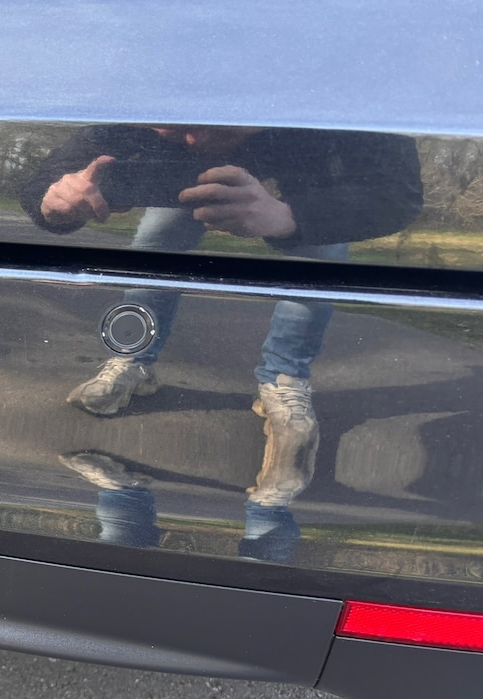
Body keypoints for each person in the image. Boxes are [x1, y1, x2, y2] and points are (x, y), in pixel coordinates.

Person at [21, 125, 423, 508]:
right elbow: (47, 178)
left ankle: (285, 380)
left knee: (318, 259)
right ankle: (133, 359)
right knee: (155, 242)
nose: (193, 137)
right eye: (174, 128)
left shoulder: (316, 107)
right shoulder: (144, 107)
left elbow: (398, 194)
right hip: (184, 179)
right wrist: (53, 201)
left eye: (218, 127)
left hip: (305, 177)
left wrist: (292, 218)